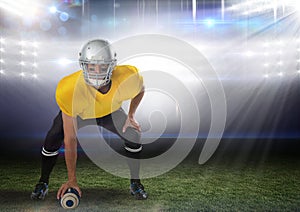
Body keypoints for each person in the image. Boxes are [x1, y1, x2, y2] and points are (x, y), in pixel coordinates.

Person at [31, 39, 148, 201]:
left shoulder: (128, 76)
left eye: (102, 66)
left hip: (110, 112)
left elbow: (141, 90)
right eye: (91, 66)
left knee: (133, 136)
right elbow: (70, 140)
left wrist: (131, 116)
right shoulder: (69, 89)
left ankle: (135, 183)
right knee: (52, 139)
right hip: (80, 114)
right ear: (83, 65)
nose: (97, 72)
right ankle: (43, 182)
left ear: (112, 65)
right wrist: (72, 179)